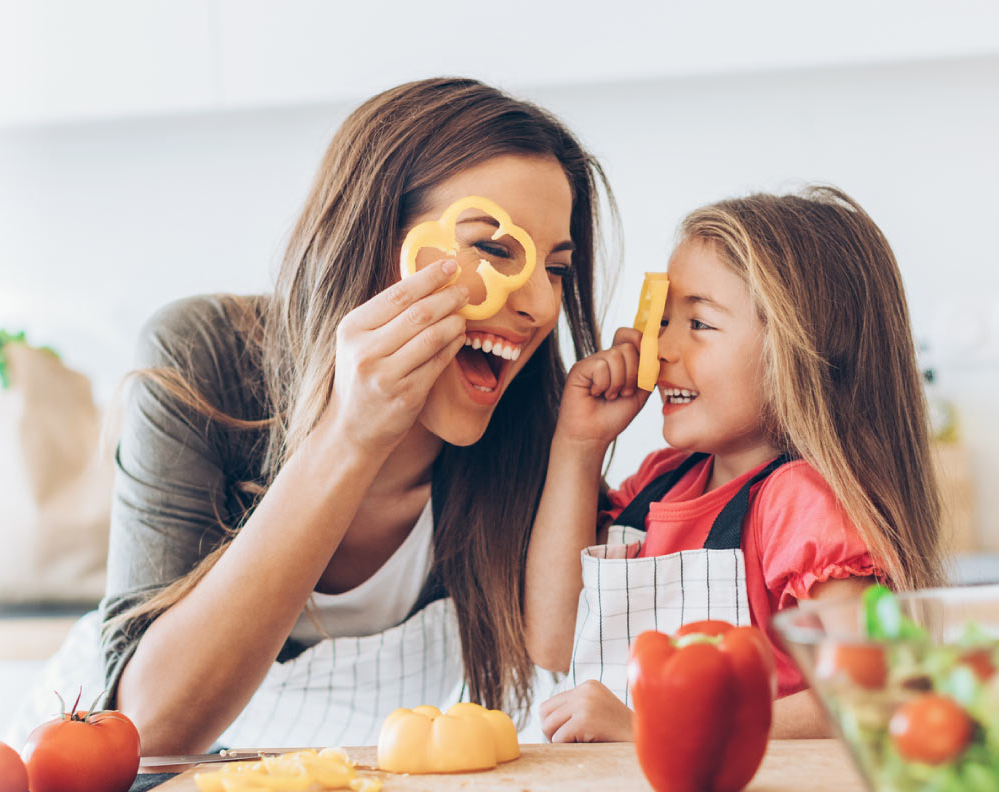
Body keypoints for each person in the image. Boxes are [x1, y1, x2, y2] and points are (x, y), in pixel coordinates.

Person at [94, 78, 612, 755]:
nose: (541, 306)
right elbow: (150, 731)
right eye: (493, 250)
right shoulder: (203, 355)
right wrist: (351, 434)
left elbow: (567, 656)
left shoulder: (536, 431)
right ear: (374, 241)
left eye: (557, 269)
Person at [525, 186, 945, 742]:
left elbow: (868, 693)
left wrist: (657, 728)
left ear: (797, 352)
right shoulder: (660, 484)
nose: (660, 350)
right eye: (663, 322)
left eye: (698, 323)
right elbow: (554, 641)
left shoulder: (801, 504)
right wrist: (578, 444)